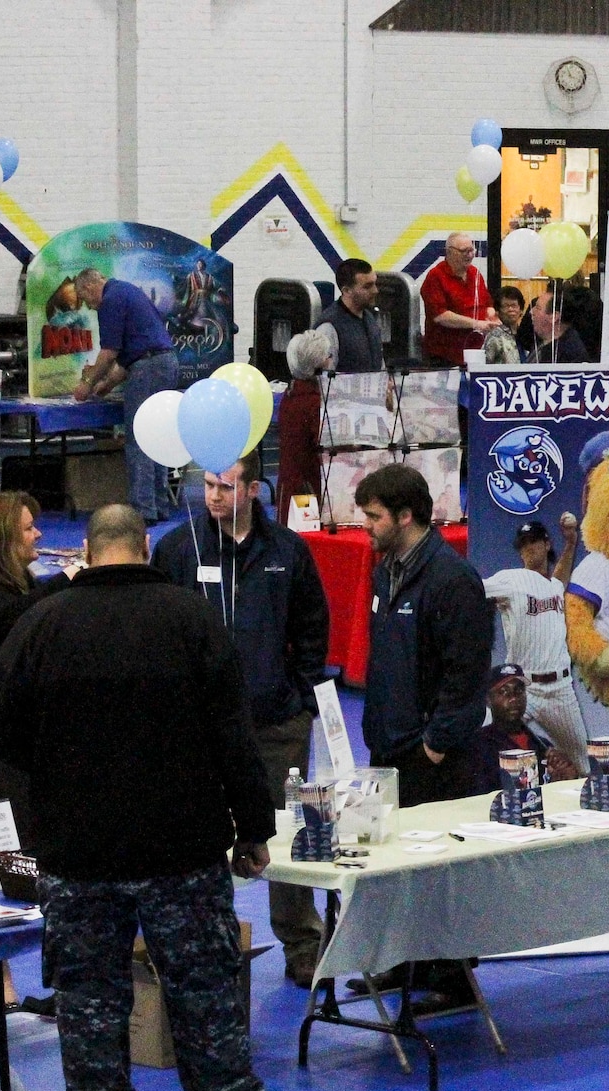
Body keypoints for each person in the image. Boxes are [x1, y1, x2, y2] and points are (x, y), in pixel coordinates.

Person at [0, 504, 310, 1091]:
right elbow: (234, 734)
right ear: (142, 548)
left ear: (89, 550)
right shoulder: (191, 618)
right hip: (181, 849)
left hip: (78, 853)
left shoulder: (42, 624)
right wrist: (253, 829)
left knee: (89, 1003)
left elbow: (0, 735)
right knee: (205, 995)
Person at [153, 462, 332, 987]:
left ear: (254, 490)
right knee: (200, 838)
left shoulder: (288, 551)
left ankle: (303, 943)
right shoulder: (178, 550)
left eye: (225, 487)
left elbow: (312, 625)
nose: (213, 495)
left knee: (289, 831)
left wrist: (301, 696)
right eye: (208, 485)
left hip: (277, 723)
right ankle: (206, 946)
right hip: (200, 730)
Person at [352, 464, 491, 1003]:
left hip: (432, 755)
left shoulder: (452, 581)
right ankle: (406, 962)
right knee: (396, 863)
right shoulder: (386, 572)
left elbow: (466, 673)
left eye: (373, 517)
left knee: (440, 867)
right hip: (389, 745)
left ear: (405, 516)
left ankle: (452, 976)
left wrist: (437, 744)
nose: (365, 526)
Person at [0, 492, 74, 851]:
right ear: (4, 539)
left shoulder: (24, 584)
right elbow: (20, 618)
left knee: (33, 840)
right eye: (28, 528)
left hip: (19, 733)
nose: (38, 534)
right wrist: (67, 578)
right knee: (2, 852)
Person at [70, 267, 180, 525]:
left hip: (148, 368)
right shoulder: (127, 291)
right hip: (166, 363)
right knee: (157, 437)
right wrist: (108, 384)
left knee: (139, 437)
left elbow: (110, 353)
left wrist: (87, 383)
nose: (88, 306)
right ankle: (159, 505)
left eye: (85, 299)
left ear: (89, 287)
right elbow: (133, 353)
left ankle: (143, 510)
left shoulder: (109, 300)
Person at [485, 516, 587, 768]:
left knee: (582, 762)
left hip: (560, 691)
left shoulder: (553, 586)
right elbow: (474, 588)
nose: (529, 547)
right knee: (483, 742)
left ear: (547, 544)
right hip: (522, 689)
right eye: (523, 544)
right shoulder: (511, 580)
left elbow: (559, 581)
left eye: (534, 541)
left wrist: (571, 543)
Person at [465, 664, 583, 794]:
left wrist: (565, 779)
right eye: (504, 692)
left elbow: (551, 794)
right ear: (488, 699)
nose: (513, 698)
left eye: (519, 690)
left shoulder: (543, 746)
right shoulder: (478, 745)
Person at [274, 326, 336, 520]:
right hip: (307, 490)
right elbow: (327, 447)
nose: (331, 360)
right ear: (320, 363)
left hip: (290, 484)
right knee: (306, 534)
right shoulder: (314, 403)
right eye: (329, 356)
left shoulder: (291, 394)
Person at [419, 232, 496, 368]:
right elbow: (440, 316)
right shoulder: (435, 276)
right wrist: (476, 323)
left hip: (475, 353)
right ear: (449, 252)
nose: (470, 255)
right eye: (464, 251)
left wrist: (491, 317)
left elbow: (487, 304)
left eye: (471, 250)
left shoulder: (475, 274)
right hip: (445, 357)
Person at [315, 257, 384, 375]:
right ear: (347, 291)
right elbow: (325, 379)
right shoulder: (329, 327)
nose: (375, 290)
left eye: (374, 284)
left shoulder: (370, 318)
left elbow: (379, 364)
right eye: (367, 286)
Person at [520, 293, 589, 364]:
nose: (531, 312)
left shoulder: (570, 353)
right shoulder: (541, 341)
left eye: (538, 308)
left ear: (554, 317)